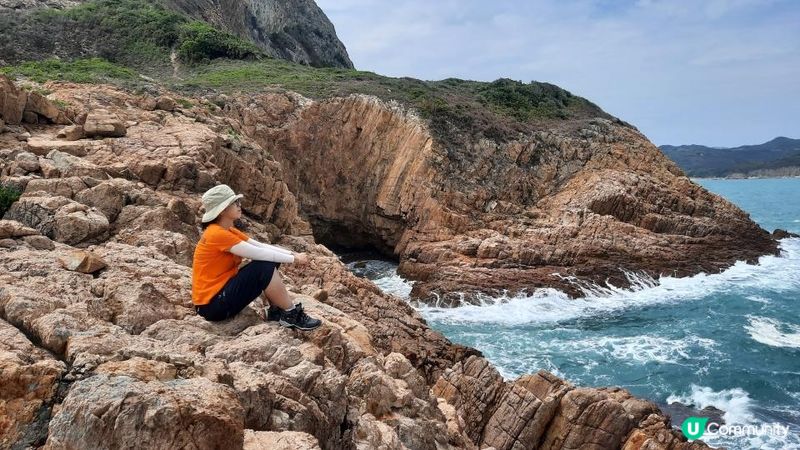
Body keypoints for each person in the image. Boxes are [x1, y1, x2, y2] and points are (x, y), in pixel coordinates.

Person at [191, 184, 321, 331]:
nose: (239, 205)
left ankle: (276, 311)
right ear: (222, 210)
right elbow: (259, 254)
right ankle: (291, 314)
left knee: (269, 261)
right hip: (212, 306)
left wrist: (294, 255)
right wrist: (294, 260)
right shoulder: (217, 234)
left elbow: (261, 246)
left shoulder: (227, 230)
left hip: (217, 298)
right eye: (234, 203)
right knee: (263, 267)